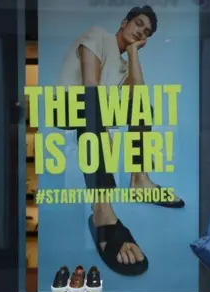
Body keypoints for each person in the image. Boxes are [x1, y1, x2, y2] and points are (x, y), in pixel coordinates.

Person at [56, 6, 184, 276]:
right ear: (124, 22)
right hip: (70, 105)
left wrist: (135, 52)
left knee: (140, 104)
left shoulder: (124, 63)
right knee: (93, 106)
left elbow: (137, 93)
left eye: (146, 31)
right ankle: (102, 210)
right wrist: (104, 129)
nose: (140, 31)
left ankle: (140, 180)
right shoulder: (98, 35)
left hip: (95, 109)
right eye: (138, 24)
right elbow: (90, 87)